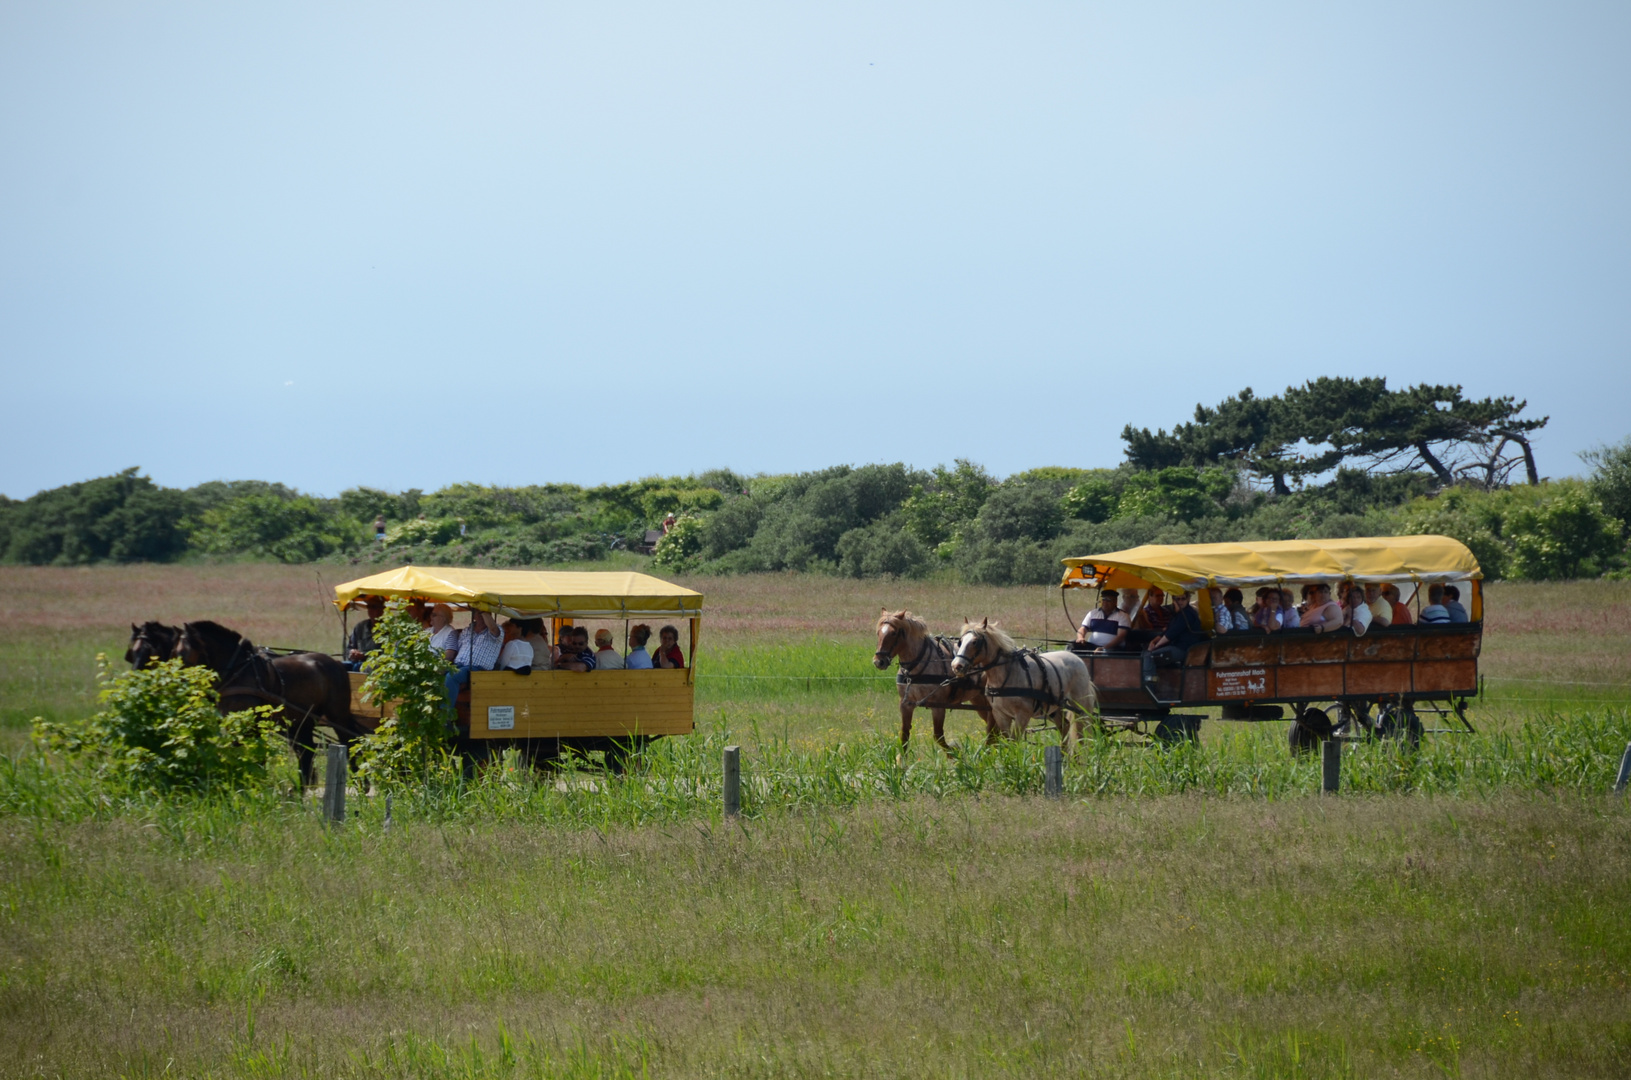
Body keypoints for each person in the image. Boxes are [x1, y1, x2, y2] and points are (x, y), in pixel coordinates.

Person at [444, 610, 503, 710]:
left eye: (484, 614)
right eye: (477, 613)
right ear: (474, 615)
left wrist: (483, 611)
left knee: (452, 676)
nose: (481, 616)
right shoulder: (467, 630)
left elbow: (493, 628)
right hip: (459, 665)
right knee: (437, 674)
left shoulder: (497, 631)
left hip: (478, 670)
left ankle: (445, 713)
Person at [1146, 591, 1207, 665]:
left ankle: (1149, 676)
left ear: (1188, 599)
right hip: (1178, 647)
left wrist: (1156, 646)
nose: (1180, 601)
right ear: (1173, 600)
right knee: (1148, 654)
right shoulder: (1179, 614)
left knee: (1148, 657)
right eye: (1178, 599)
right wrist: (1153, 641)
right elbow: (1167, 631)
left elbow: (1170, 634)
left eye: (1183, 599)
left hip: (1184, 649)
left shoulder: (1187, 614)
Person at [346, 596, 386, 670]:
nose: (371, 610)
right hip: (356, 662)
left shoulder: (387, 630)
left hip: (375, 666)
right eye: (369, 607)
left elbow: (386, 655)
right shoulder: (360, 627)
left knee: (363, 668)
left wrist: (364, 656)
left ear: (382, 610)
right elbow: (350, 647)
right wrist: (352, 653)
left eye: (374, 607)